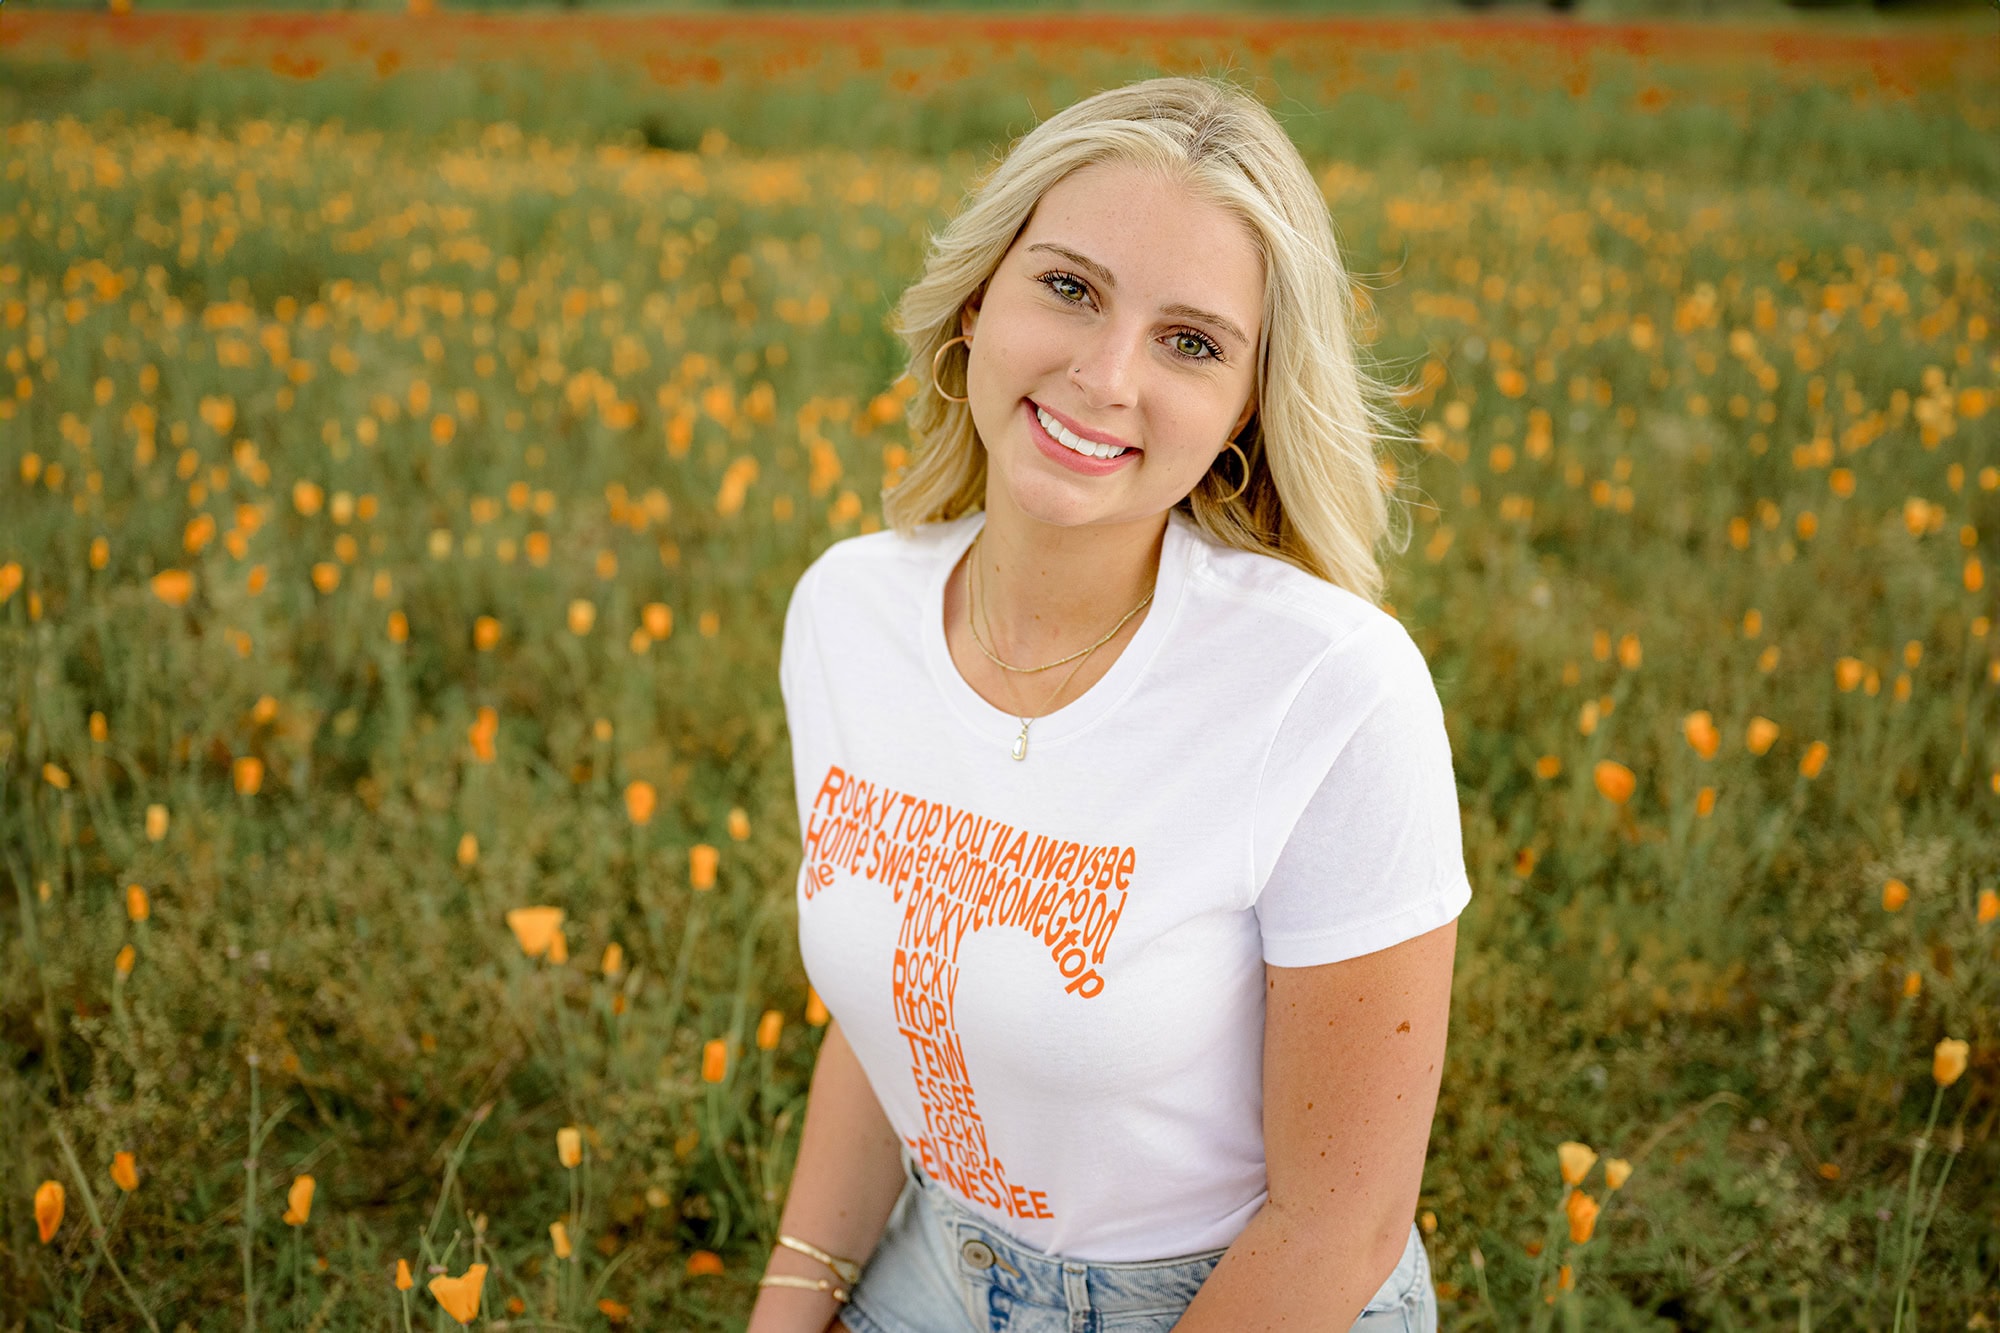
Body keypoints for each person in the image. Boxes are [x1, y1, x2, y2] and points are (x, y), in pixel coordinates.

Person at [750, 75, 1471, 1333]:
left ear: (1244, 401)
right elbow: (890, 1033)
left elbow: (1334, 1222)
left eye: (1189, 341)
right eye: (1070, 288)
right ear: (980, 301)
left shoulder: (1329, 688)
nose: (1103, 374)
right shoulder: (844, 616)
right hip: (933, 1269)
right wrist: (789, 1309)